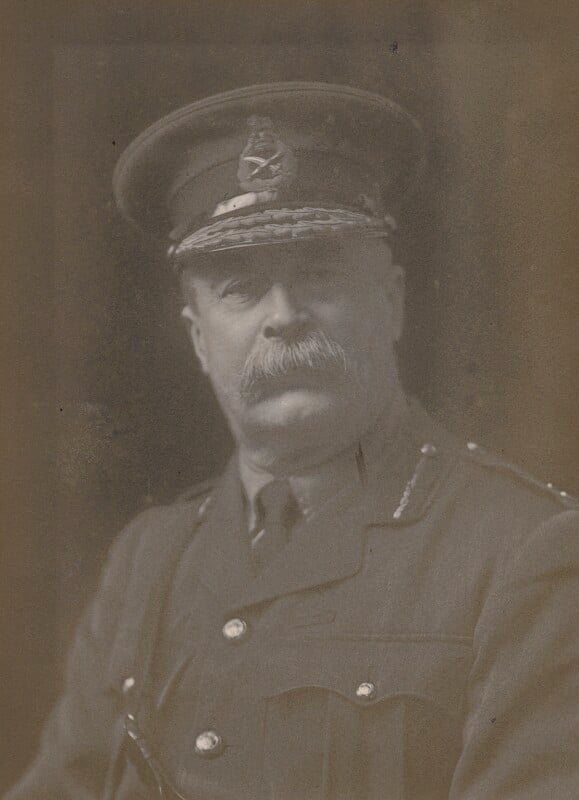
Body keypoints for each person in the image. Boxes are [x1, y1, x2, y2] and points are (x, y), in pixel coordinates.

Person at [6, 82, 578, 800]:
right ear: (197, 338)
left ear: (392, 301)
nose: (284, 315)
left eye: (320, 272)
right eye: (240, 289)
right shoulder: (149, 558)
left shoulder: (523, 550)